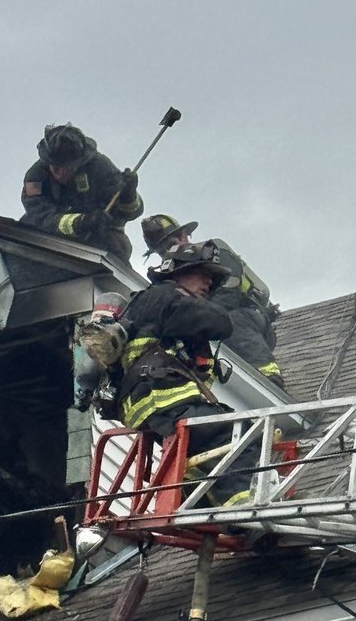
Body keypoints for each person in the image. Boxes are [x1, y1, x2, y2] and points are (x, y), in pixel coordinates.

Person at [116, 243, 256, 506]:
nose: (208, 282)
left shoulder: (154, 303)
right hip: (163, 400)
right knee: (239, 432)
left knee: (208, 447)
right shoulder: (164, 296)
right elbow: (219, 323)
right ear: (176, 272)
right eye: (201, 272)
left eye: (212, 279)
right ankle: (244, 509)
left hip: (158, 405)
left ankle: (194, 496)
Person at [141, 214, 285, 388]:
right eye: (161, 251)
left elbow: (230, 293)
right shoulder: (175, 272)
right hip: (213, 321)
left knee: (232, 320)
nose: (167, 254)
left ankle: (269, 376)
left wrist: (201, 316)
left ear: (184, 235)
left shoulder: (214, 252)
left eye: (170, 245)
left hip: (249, 317)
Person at [20, 123, 143, 260]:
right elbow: (40, 217)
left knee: (117, 244)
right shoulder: (34, 179)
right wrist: (80, 222)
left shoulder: (100, 167)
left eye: (68, 168)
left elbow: (127, 213)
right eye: (56, 168)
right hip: (50, 234)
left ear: (80, 162)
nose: (61, 174)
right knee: (23, 234)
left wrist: (129, 195)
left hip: (96, 233)